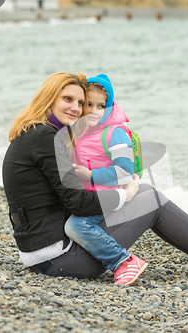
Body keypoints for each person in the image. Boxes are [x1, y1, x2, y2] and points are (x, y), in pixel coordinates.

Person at [2, 71, 188, 283]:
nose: (76, 108)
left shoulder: (33, 133)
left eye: (81, 103)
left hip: (41, 251)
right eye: (68, 99)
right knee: (150, 198)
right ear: (49, 97)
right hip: (60, 259)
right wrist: (125, 194)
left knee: (145, 191)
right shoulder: (46, 138)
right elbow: (76, 204)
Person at [63, 74, 148, 285]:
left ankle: (123, 261)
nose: (94, 110)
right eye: (89, 104)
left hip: (108, 195)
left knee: (75, 226)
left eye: (101, 106)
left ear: (109, 107)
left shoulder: (115, 133)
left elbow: (125, 173)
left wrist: (90, 175)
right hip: (86, 196)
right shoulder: (81, 131)